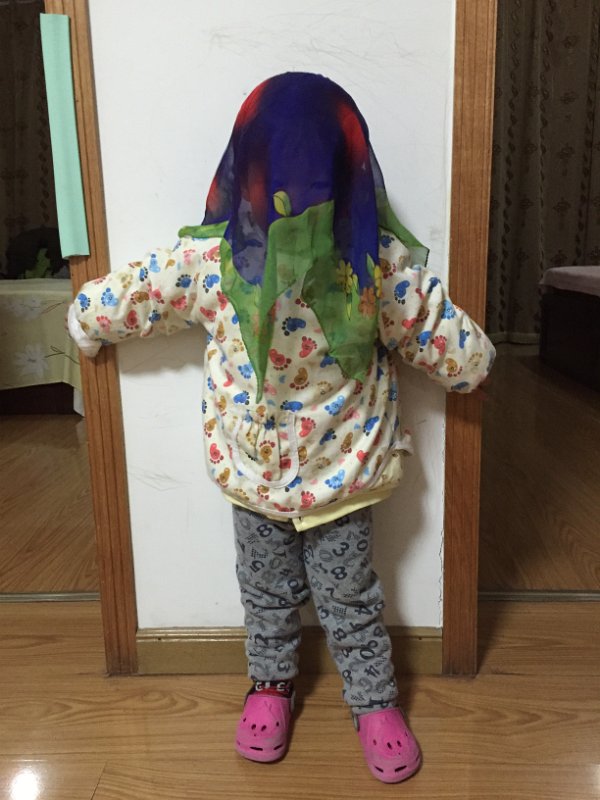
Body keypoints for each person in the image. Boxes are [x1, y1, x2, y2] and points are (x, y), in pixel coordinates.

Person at [68, 72, 495, 784]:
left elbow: (434, 327)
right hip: (254, 473)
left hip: (342, 476)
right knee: (264, 593)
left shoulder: (372, 268)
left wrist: (473, 365)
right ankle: (269, 685)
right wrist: (88, 318)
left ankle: (373, 700)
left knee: (350, 597)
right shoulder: (215, 262)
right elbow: (142, 290)